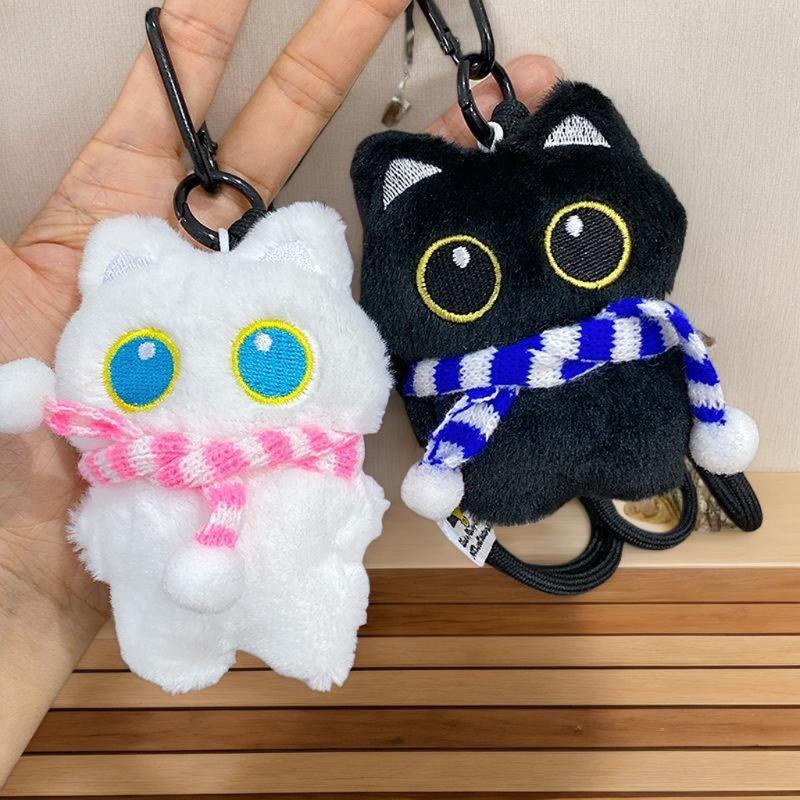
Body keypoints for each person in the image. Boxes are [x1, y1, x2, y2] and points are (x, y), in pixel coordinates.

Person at [0, 0, 559, 782]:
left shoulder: (310, 432)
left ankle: (307, 641)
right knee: (169, 624)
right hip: (138, 584)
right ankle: (185, 651)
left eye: (275, 359)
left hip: (277, 562)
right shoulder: (121, 438)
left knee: (313, 611)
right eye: (141, 363)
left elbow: (343, 508)